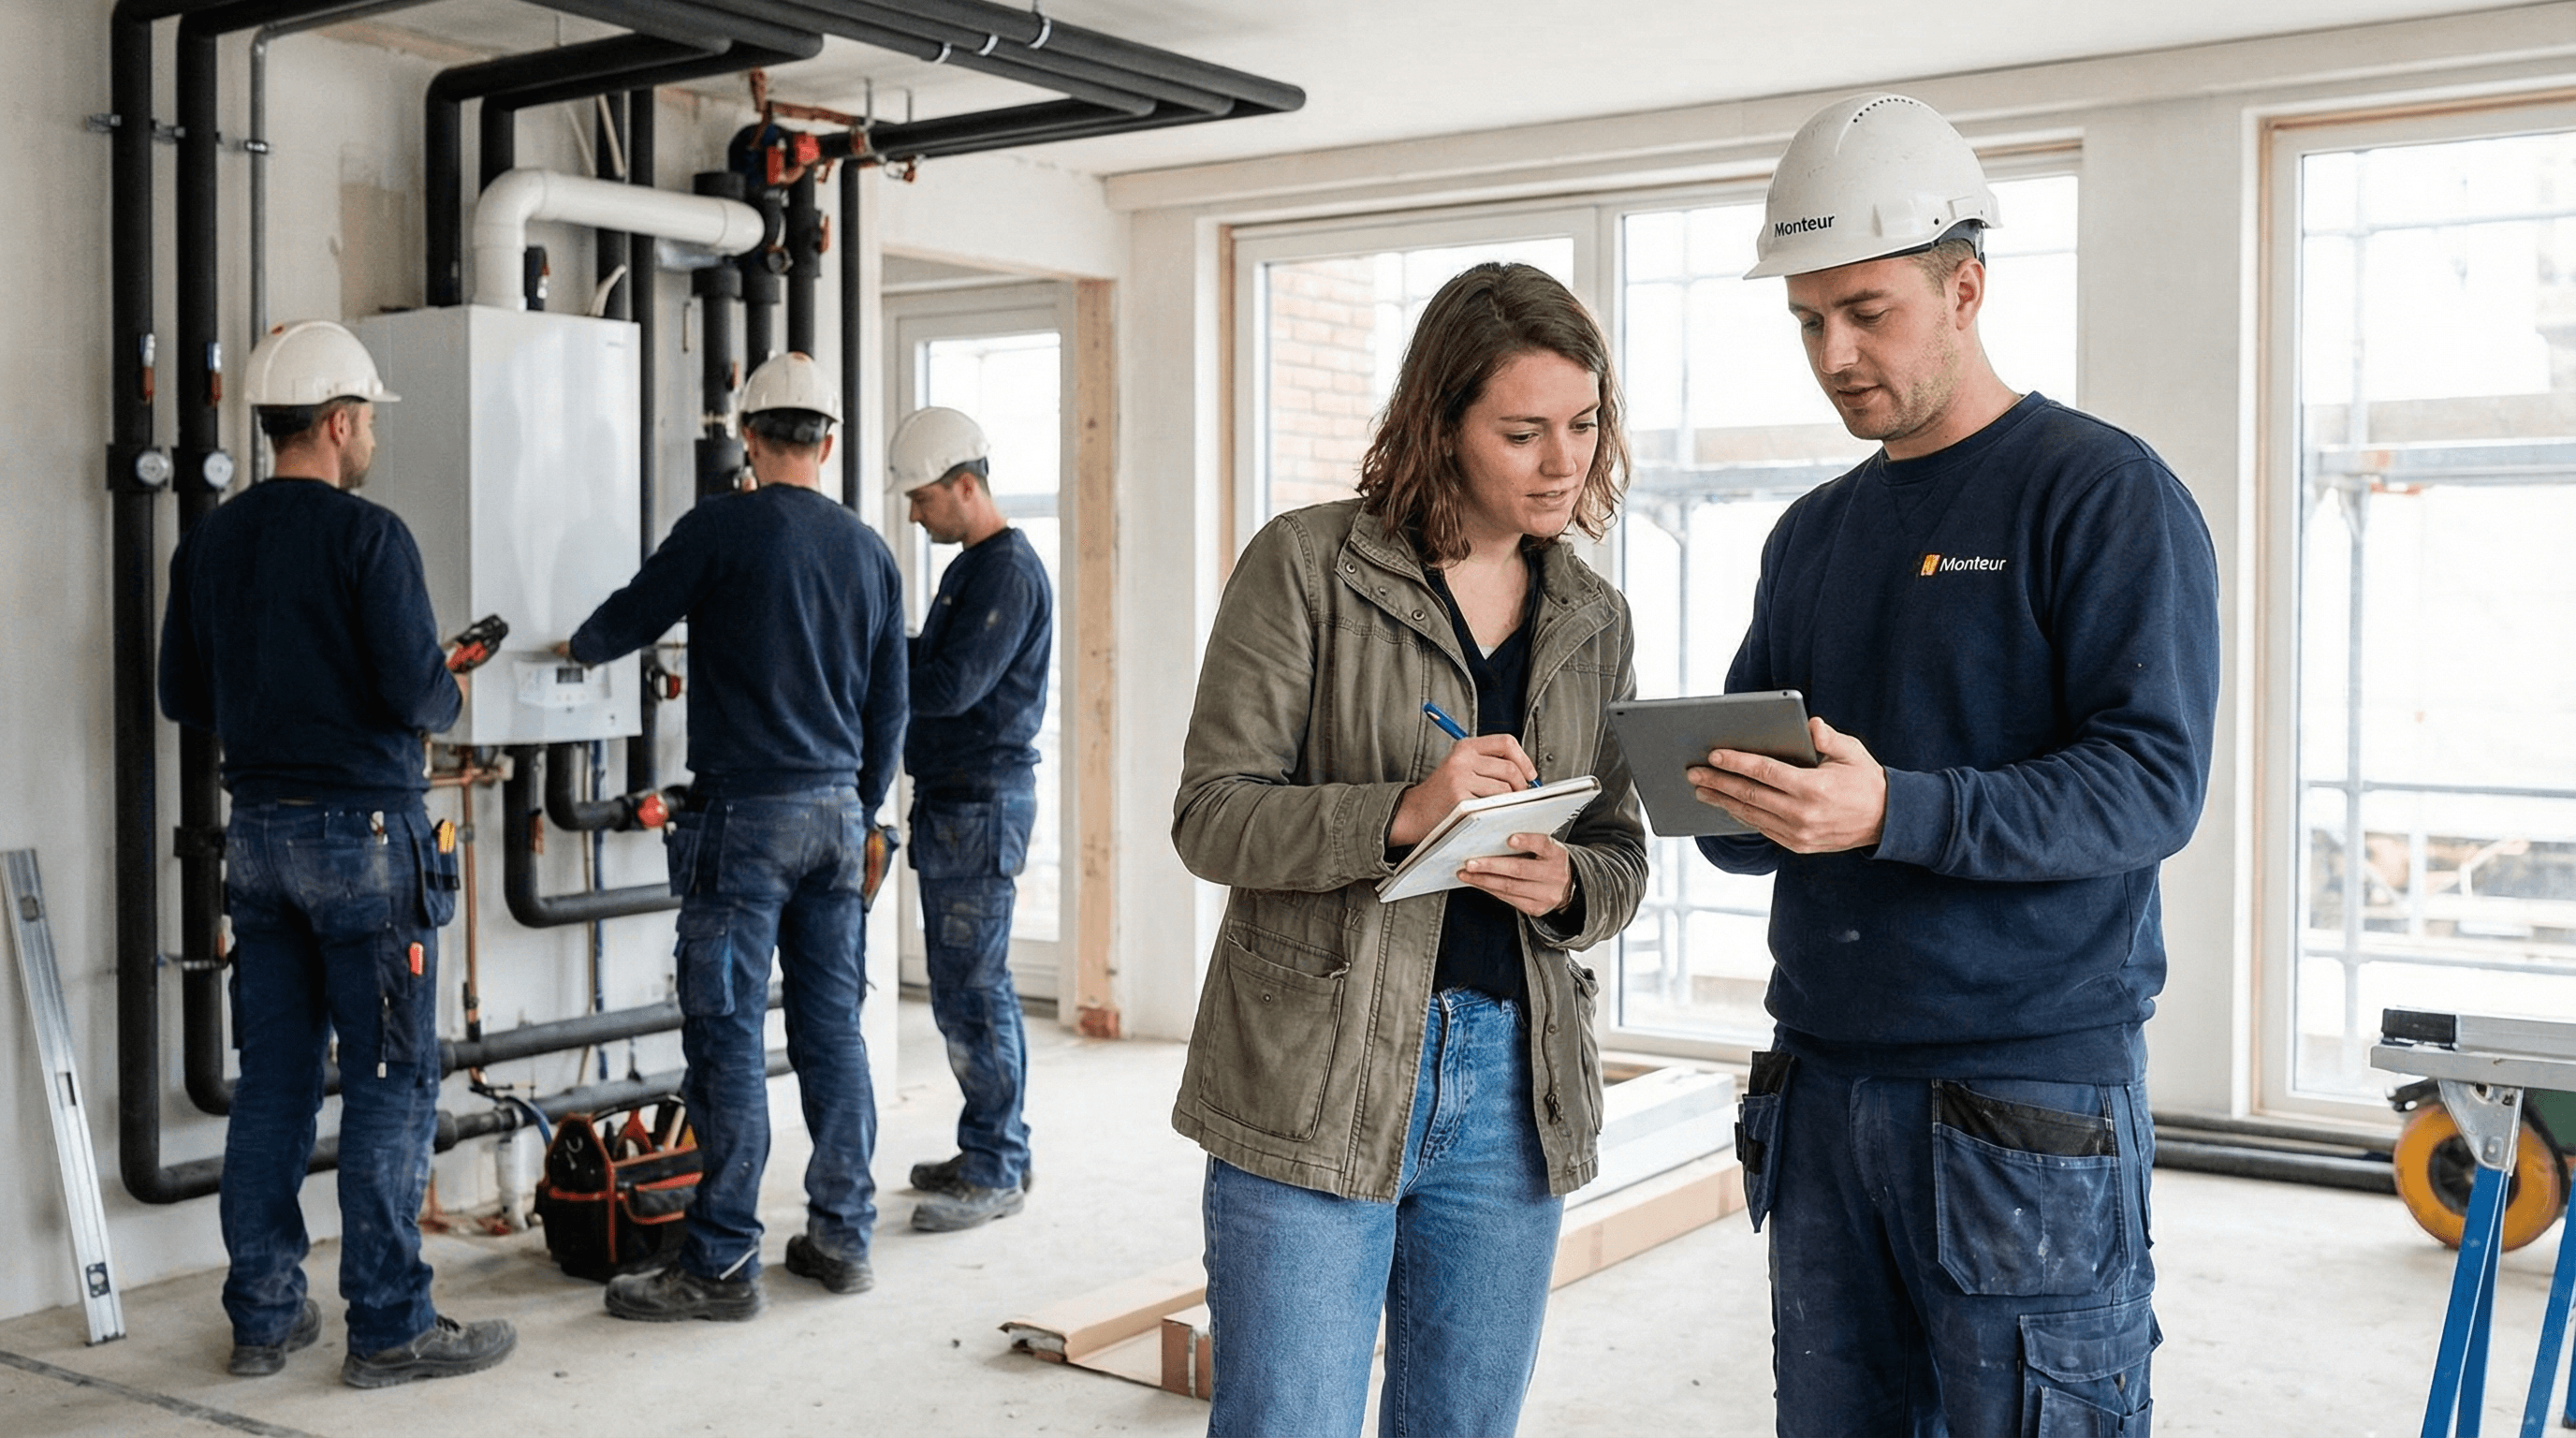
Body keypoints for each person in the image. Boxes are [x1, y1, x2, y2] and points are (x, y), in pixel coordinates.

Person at [1690, 94, 2220, 1434]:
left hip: (2020, 1092)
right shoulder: (1813, 534)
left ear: (1965, 286)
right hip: (1818, 1085)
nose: (1835, 353)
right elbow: (1779, 812)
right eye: (1809, 320)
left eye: (1868, 311)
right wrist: (1733, 798)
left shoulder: (2098, 493)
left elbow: (2152, 782)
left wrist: (1893, 810)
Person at [1170, 261, 1647, 1437]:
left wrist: (1569, 882)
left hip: (1511, 1093)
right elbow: (1211, 815)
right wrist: (1399, 810)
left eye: (1583, 425)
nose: (1563, 462)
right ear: (1438, 426)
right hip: (1312, 1070)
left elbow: (1618, 849)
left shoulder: (1594, 617)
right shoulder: (1306, 566)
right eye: (1523, 431)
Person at [159, 320, 518, 1388]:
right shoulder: (372, 538)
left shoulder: (208, 543)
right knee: (389, 1082)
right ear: (339, 420)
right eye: (365, 424)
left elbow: (184, 696)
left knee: (271, 1086)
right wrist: (447, 684)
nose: (368, 443)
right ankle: (390, 1325)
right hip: (365, 839)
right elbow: (417, 693)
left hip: (258, 839)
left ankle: (265, 1317)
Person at [564, 351, 907, 1317]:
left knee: (724, 1041)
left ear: (748, 440)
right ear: (827, 444)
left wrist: (571, 647)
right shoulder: (870, 552)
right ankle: (842, 1238)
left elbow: (630, 618)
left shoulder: (720, 529)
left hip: (746, 821)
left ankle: (718, 1265)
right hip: (839, 818)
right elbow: (891, 708)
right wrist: (861, 807)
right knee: (831, 1034)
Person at [884, 407, 1054, 1233]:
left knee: (976, 992)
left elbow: (950, 687)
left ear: (964, 485)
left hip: (982, 806)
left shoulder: (1006, 572)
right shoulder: (969, 567)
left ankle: (998, 1165)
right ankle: (984, 1145)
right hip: (959, 803)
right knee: (961, 991)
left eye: (921, 499)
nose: (914, 515)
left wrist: (874, 663)